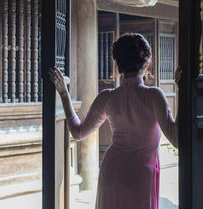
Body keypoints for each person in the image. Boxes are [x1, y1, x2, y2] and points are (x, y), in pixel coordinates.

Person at [49, 33, 179, 209]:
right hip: (141, 175)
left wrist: (64, 93)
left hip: (111, 172)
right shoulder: (154, 96)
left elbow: (78, 132)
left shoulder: (107, 98)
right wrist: (183, 89)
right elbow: (178, 139)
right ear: (147, 64)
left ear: (117, 66)